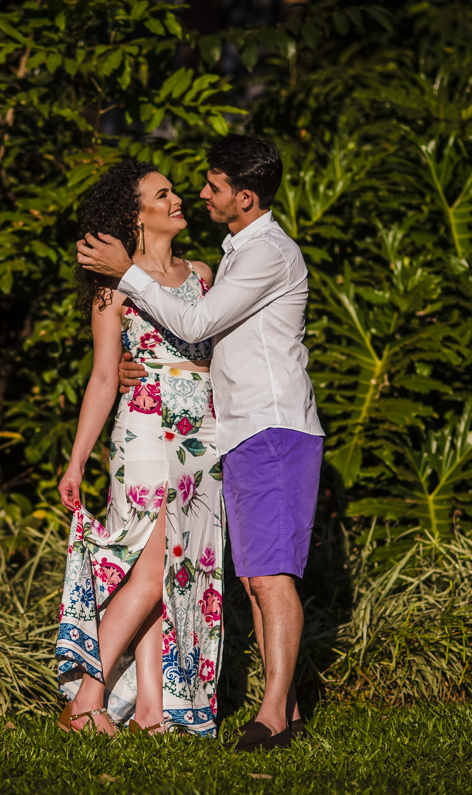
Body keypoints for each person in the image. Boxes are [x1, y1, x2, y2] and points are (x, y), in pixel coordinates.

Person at [76, 135, 324, 752]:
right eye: (171, 192)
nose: (195, 194)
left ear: (243, 196)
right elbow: (119, 365)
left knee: (232, 574)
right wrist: (142, 367)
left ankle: (260, 715)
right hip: (185, 433)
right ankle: (109, 699)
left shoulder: (242, 259)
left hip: (236, 432)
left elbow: (196, 328)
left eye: (209, 186)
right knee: (183, 569)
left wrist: (136, 294)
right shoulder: (231, 254)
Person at [54, 161, 226, 738]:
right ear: (136, 214)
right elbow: (105, 378)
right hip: (145, 436)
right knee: (153, 572)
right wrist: (77, 460)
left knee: (172, 570)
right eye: (164, 194)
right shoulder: (112, 293)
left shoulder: (203, 273)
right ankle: (86, 698)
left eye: (174, 190)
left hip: (202, 438)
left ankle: (152, 711)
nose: (179, 199)